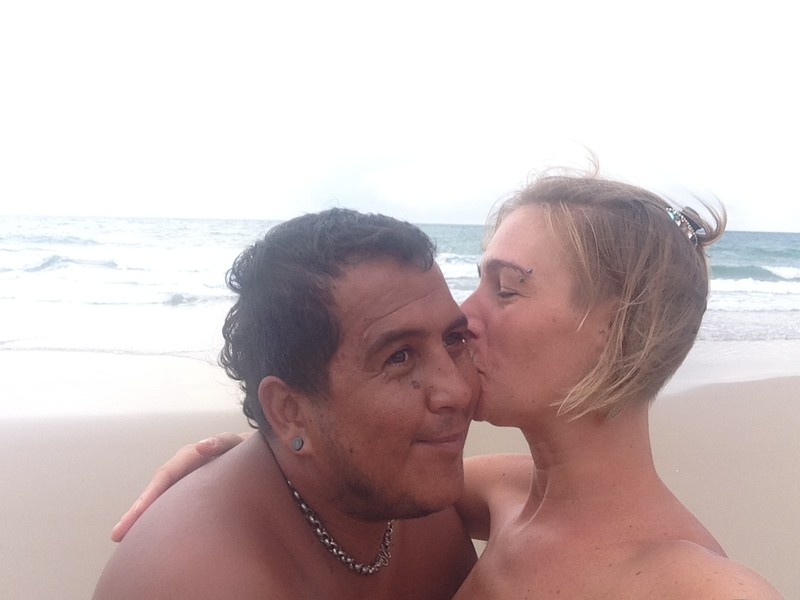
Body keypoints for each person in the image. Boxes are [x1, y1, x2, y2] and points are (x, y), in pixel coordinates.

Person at [111, 170, 785, 599]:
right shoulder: (503, 494)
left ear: (617, 326)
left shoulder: (698, 587)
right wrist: (257, 447)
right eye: (477, 281)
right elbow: (344, 464)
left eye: (506, 288)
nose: (463, 315)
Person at [93, 208, 480, 599]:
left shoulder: (408, 495)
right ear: (289, 412)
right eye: (399, 357)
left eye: (453, 340)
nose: (458, 391)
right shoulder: (197, 580)